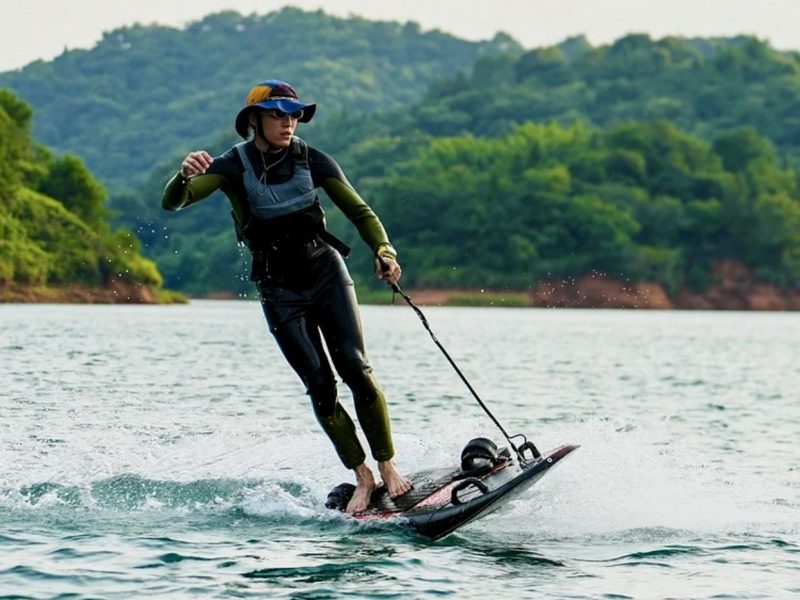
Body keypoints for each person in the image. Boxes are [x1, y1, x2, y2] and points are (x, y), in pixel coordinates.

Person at [161, 79, 412, 514]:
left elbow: (360, 212)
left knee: (355, 367)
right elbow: (174, 203)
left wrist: (384, 251)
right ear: (254, 120)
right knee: (320, 386)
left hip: (325, 271)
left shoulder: (313, 160)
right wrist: (182, 176)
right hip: (277, 289)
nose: (289, 122)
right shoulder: (231, 166)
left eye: (294, 114)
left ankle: (388, 465)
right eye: (278, 114)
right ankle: (362, 476)